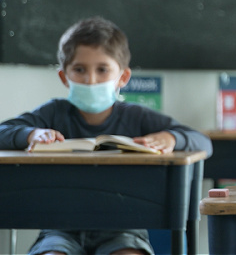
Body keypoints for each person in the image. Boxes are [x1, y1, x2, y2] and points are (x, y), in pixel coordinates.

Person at [0, 16, 213, 255]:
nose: (91, 80)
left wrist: (171, 138)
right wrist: (31, 134)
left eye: (102, 70)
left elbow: (202, 141)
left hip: (124, 229)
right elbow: (3, 132)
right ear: (64, 77)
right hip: (60, 229)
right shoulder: (53, 113)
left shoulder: (137, 117)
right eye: (79, 70)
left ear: (122, 77)